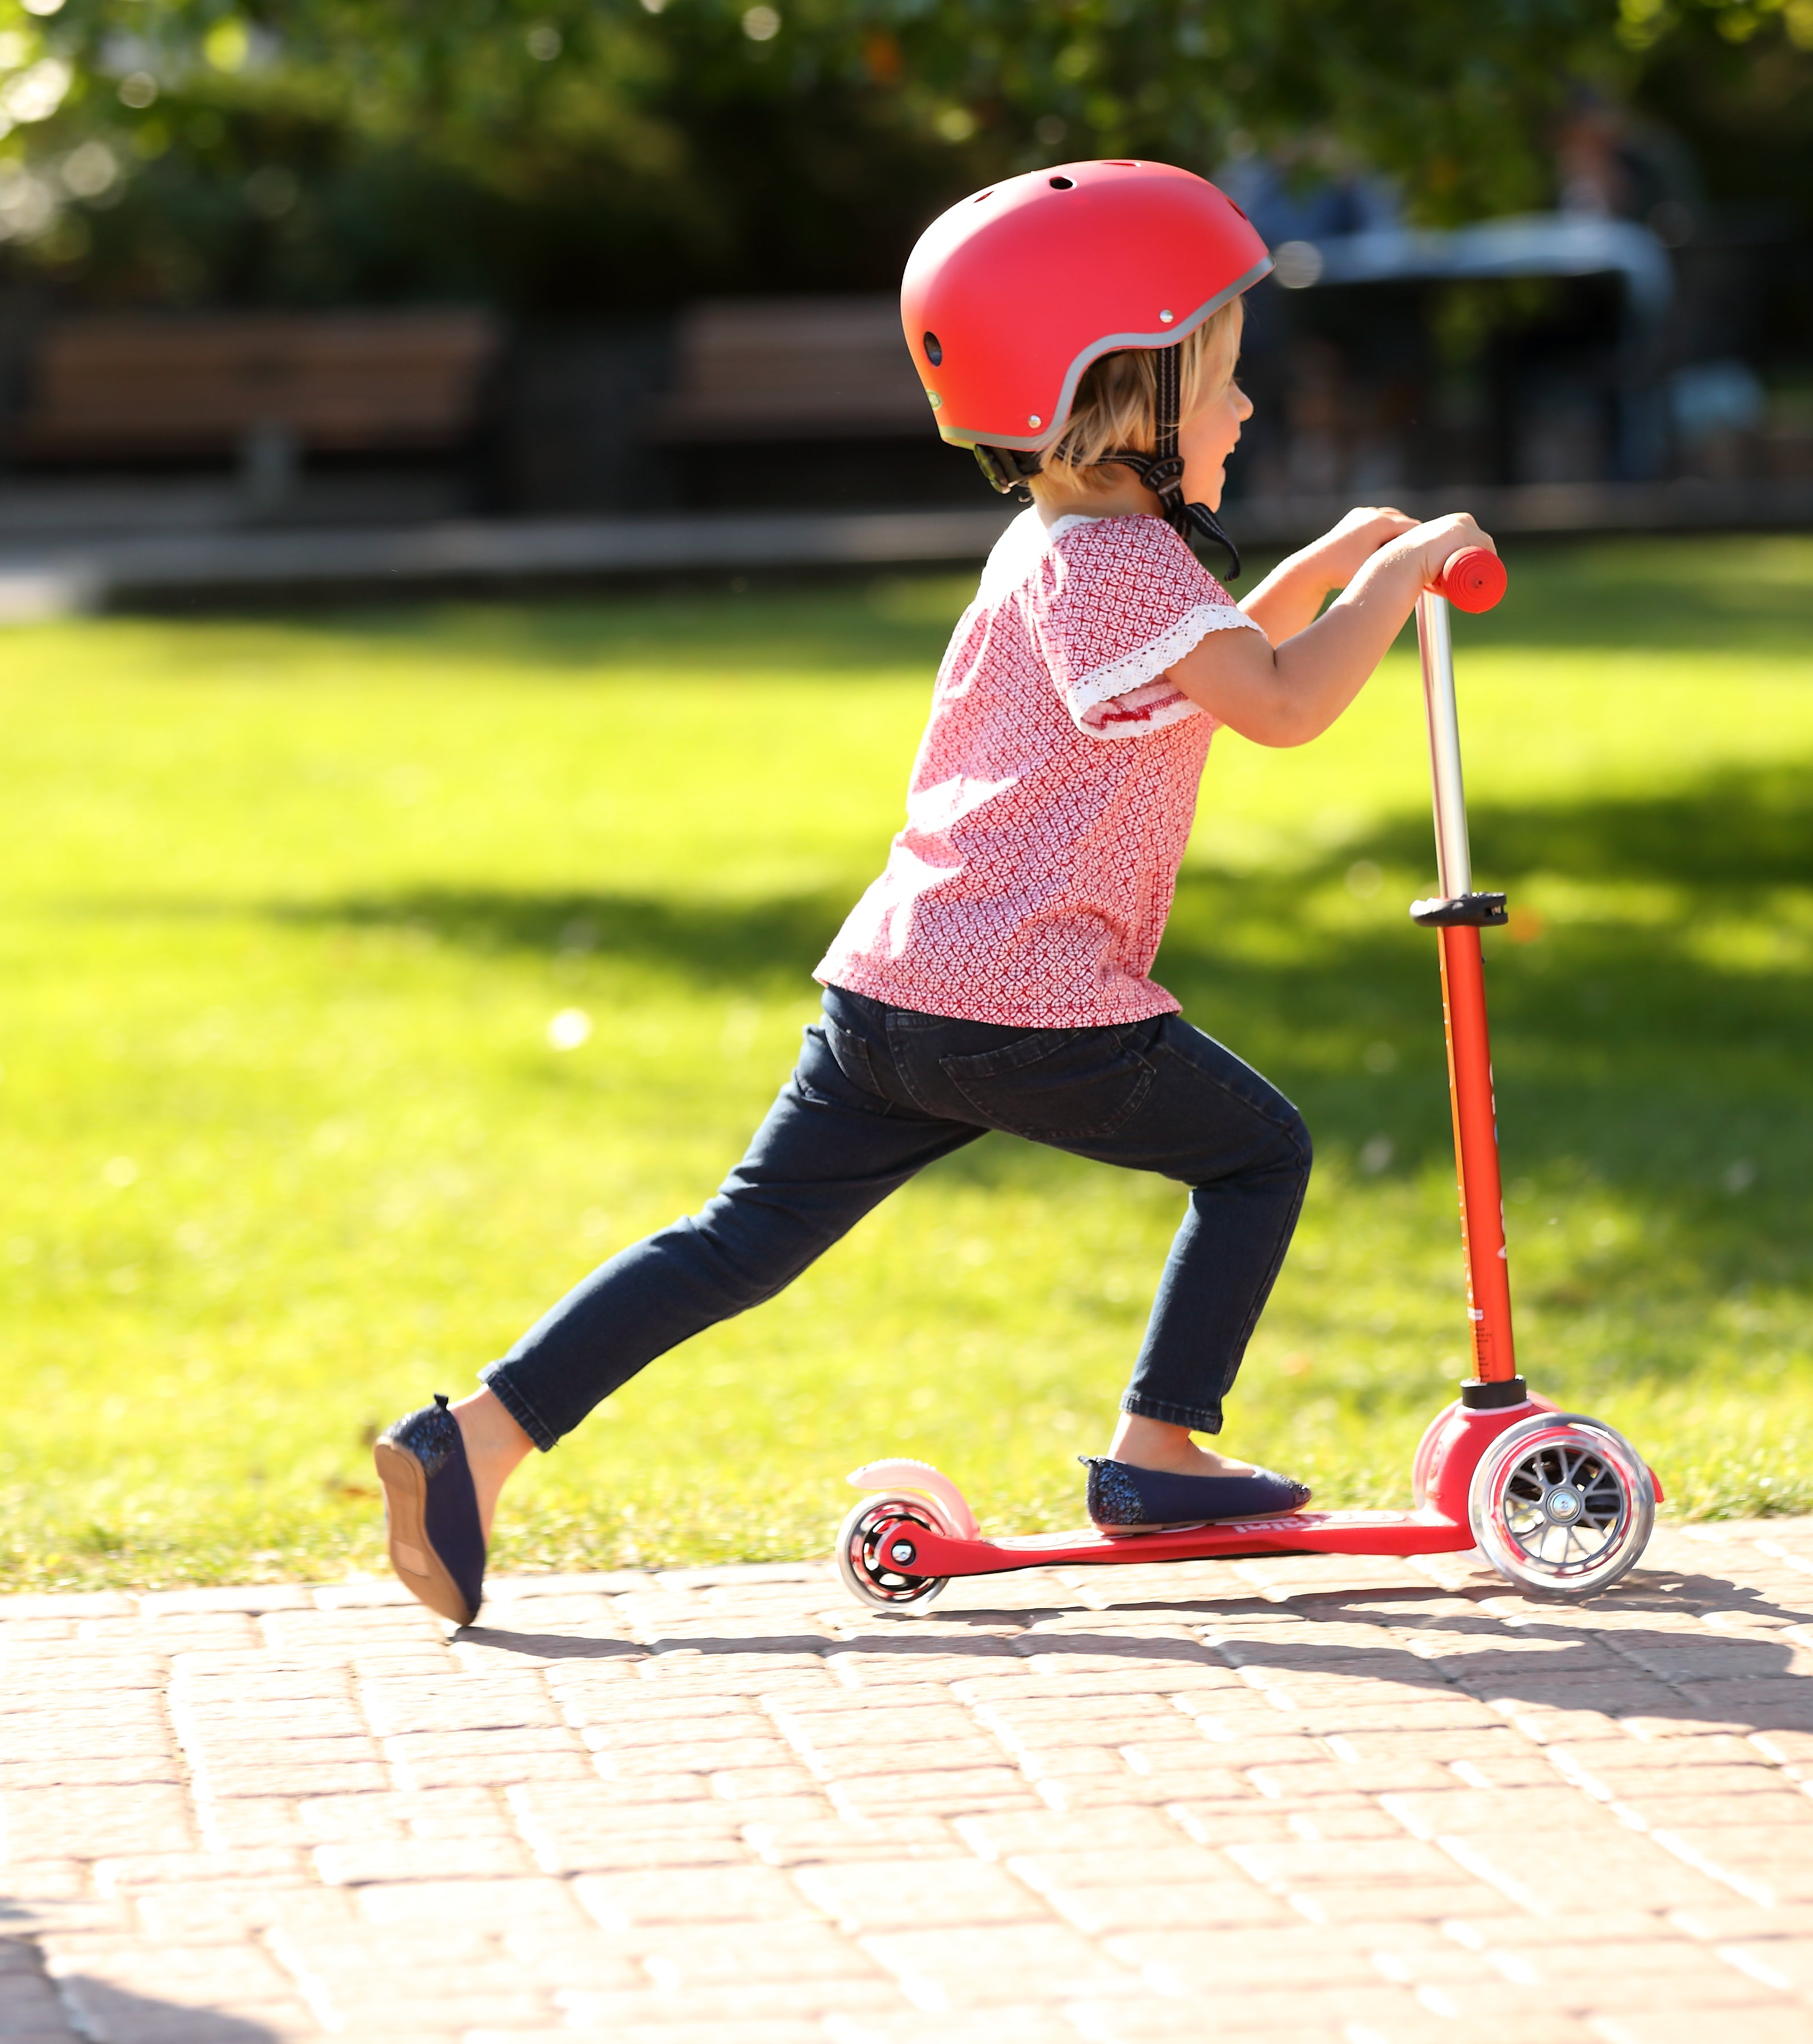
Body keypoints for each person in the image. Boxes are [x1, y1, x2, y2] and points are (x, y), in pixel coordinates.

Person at [375, 160, 1492, 1626]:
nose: (1245, 411)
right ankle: (1160, 1448)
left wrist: (1326, 569)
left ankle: (477, 1442)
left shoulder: (1069, 546)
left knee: (737, 1241)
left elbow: (1215, 661)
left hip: (897, 987)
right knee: (1259, 1155)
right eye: (1218, 383)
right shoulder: (1129, 569)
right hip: (1026, 997)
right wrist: (1399, 578)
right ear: (1125, 397)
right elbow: (1278, 703)